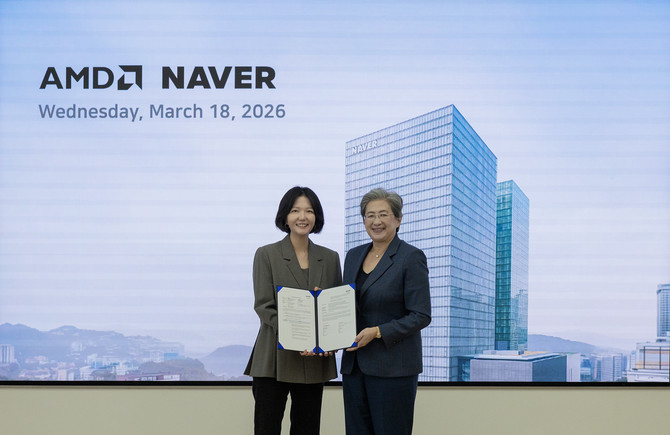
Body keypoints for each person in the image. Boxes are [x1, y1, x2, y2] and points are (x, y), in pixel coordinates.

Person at [244, 186, 342, 435]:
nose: (302, 217)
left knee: (307, 429)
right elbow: (264, 306)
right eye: (295, 210)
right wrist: (299, 334)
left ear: (316, 216)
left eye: (309, 211)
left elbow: (334, 309)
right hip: (273, 358)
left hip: (313, 359)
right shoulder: (266, 254)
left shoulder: (330, 258)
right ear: (285, 216)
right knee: (266, 428)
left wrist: (329, 336)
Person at [341, 188, 431, 435]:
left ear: (398, 219)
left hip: (393, 369)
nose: (376, 221)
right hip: (354, 367)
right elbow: (346, 302)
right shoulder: (353, 256)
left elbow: (421, 315)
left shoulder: (411, 257)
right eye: (370, 215)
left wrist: (378, 331)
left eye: (383, 214)